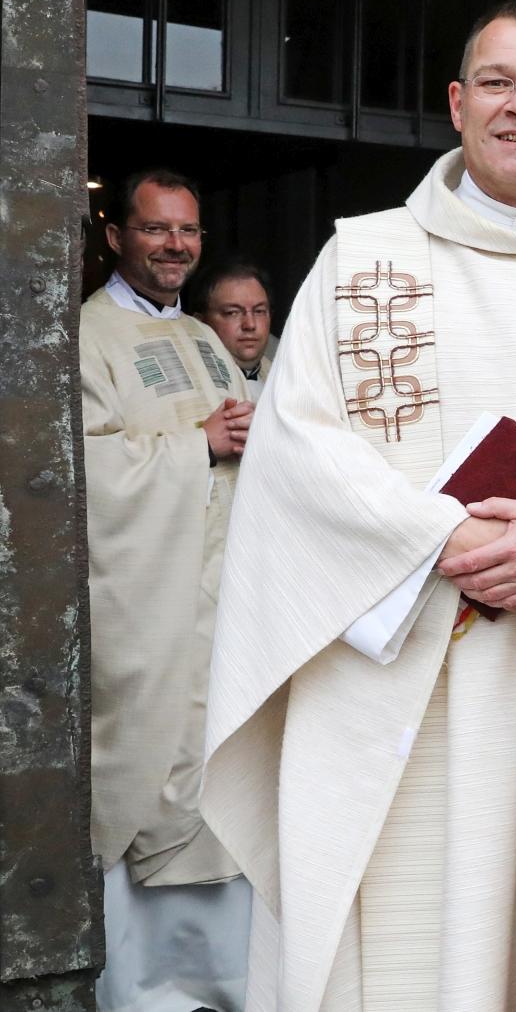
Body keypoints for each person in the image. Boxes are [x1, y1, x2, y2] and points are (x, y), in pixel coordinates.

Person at [202, 0, 516, 1009]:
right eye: (497, 81)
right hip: (394, 681)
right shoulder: (361, 260)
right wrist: (442, 536)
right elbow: (296, 446)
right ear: (456, 102)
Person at [82, 168, 254, 1012]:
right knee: (156, 784)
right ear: (115, 235)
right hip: (148, 612)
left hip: (223, 607)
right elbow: (78, 468)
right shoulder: (87, 334)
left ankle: (227, 989)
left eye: (187, 232)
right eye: (156, 229)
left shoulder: (205, 337)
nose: (175, 246)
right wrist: (198, 446)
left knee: (225, 781)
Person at [192, 260, 275, 398]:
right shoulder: (192, 383)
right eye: (232, 312)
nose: (250, 324)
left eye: (259, 311)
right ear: (200, 321)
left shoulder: (290, 381)